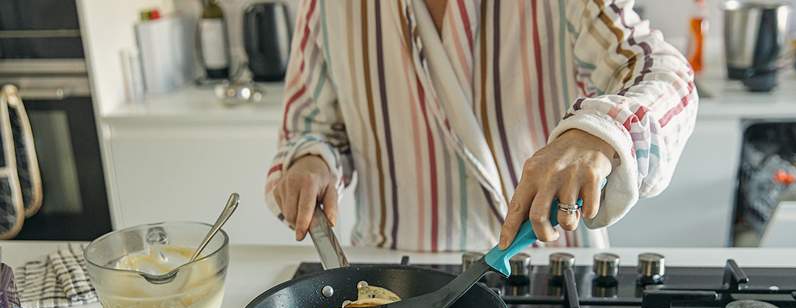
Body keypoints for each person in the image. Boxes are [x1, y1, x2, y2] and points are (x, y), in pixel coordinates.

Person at [266, 0, 697, 251]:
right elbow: (312, 125)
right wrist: (311, 162)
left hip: (549, 267)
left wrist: (598, 133)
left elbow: (662, 71)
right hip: (393, 277)